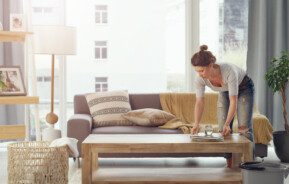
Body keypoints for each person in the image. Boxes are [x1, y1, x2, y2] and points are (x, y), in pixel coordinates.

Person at [190, 45, 255, 167]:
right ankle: (230, 165)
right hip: (225, 91)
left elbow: (233, 101)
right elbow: (199, 102)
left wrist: (228, 123)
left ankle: (249, 165)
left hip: (244, 87)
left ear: (210, 65)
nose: (199, 74)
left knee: (244, 129)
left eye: (202, 70)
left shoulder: (228, 71)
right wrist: (196, 123)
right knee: (223, 131)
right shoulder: (200, 79)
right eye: (197, 71)